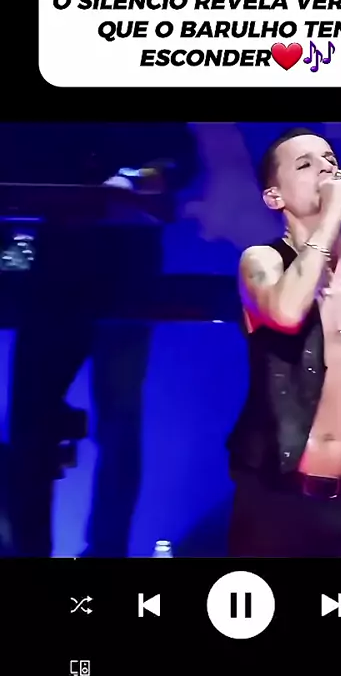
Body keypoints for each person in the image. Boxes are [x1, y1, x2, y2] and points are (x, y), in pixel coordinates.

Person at [1, 122, 198, 557]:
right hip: (57, 266)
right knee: (32, 422)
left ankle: (106, 551)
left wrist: (138, 179)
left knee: (118, 420)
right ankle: (29, 550)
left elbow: (181, 159)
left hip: (125, 269)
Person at [226, 127, 341, 557]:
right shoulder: (263, 262)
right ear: (274, 197)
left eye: (330, 159)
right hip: (278, 502)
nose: (326, 169)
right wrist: (329, 219)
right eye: (305, 165)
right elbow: (287, 312)